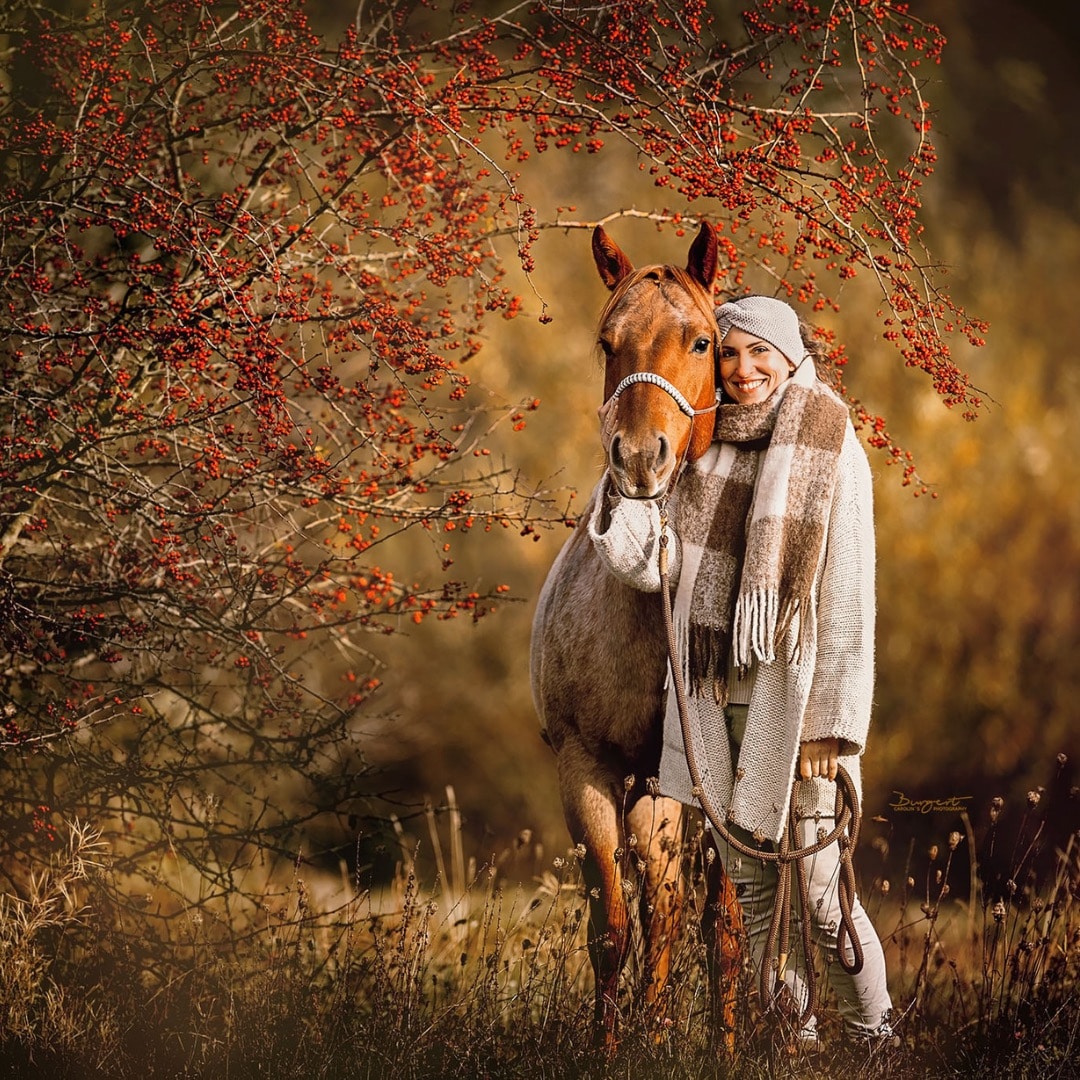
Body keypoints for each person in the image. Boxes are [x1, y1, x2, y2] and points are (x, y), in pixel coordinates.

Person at [588, 295, 894, 1047]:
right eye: (731, 353)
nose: (745, 368)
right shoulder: (706, 447)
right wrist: (631, 480)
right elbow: (643, 566)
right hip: (716, 703)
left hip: (795, 707)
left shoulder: (831, 443)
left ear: (791, 358)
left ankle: (875, 1037)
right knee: (756, 897)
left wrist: (834, 725)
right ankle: (795, 1043)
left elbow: (850, 599)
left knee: (822, 897)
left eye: (762, 353)